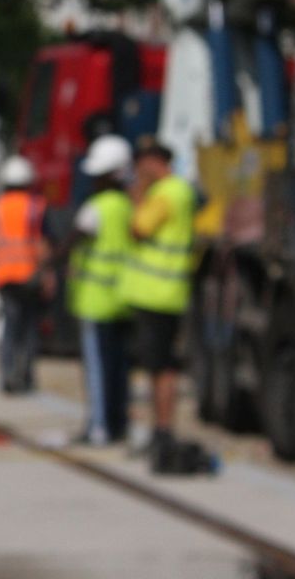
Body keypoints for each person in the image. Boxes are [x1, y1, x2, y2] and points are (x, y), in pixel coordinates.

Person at [122, 138, 197, 474]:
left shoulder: (166, 193)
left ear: (154, 162)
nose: (138, 170)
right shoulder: (176, 191)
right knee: (157, 367)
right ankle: (160, 430)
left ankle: (163, 431)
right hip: (162, 293)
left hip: (159, 293)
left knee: (161, 367)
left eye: (141, 163)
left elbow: (139, 228)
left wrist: (138, 195)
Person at [64, 135, 134, 444]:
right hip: (123, 298)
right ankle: (118, 424)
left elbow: (75, 237)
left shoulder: (96, 208)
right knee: (119, 368)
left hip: (95, 301)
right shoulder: (129, 206)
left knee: (98, 370)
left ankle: (99, 427)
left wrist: (50, 261)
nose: (92, 181)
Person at [0, 156, 50, 394]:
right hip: (29, 276)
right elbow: (42, 242)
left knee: (10, 328)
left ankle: (7, 375)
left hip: (3, 276)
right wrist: (46, 274)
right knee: (29, 328)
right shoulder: (36, 206)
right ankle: (25, 375)